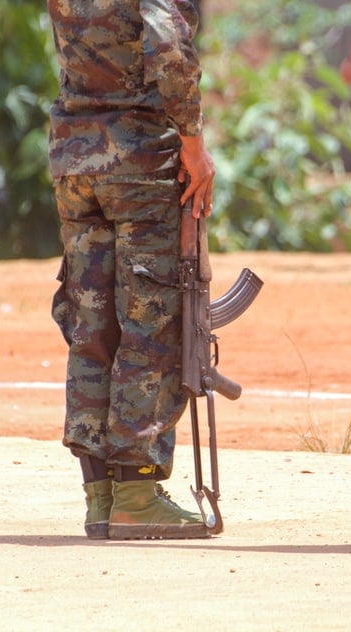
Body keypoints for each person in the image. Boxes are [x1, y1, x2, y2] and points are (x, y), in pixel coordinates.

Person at [47, 0, 216, 540]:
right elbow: (167, 40)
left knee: (91, 325)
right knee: (150, 325)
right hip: (139, 158)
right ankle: (137, 493)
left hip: (74, 157)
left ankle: (101, 494)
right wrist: (193, 142)